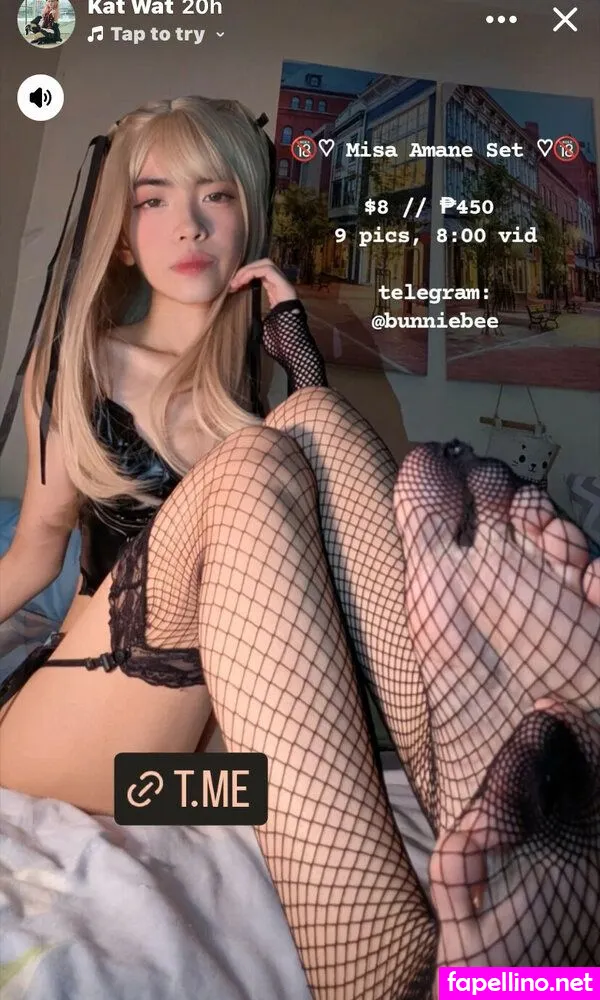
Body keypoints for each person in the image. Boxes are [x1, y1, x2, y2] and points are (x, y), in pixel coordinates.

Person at [0, 95, 598, 999]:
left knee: (312, 420)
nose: (190, 224)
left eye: (216, 195)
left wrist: (299, 363)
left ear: (248, 214)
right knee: (260, 458)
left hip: (184, 776)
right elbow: (32, 558)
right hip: (68, 738)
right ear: (122, 235)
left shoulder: (258, 403)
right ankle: (375, 964)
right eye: (154, 199)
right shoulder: (83, 363)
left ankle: (473, 796)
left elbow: (335, 585)